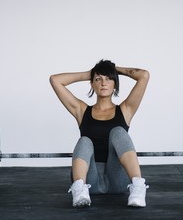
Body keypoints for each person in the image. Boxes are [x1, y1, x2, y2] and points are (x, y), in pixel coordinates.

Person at [50, 60, 150, 208]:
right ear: (92, 84)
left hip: (118, 181)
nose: (103, 83)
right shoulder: (82, 110)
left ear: (114, 83)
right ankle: (78, 189)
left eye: (109, 79)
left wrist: (113, 70)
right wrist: (92, 73)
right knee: (84, 140)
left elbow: (144, 75)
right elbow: (55, 80)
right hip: (90, 182)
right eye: (98, 79)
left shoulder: (125, 109)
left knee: (118, 131)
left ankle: (138, 187)